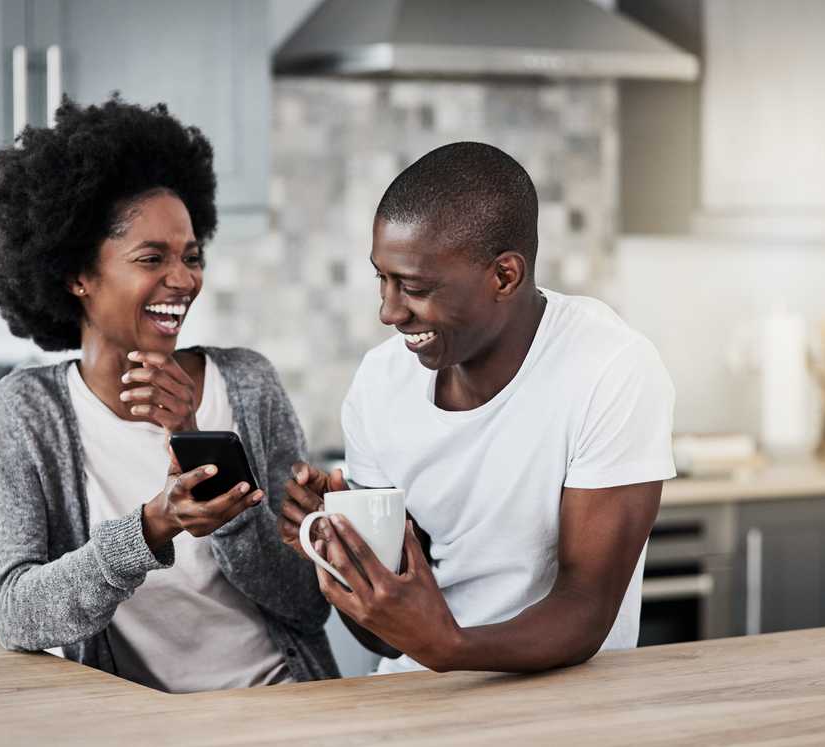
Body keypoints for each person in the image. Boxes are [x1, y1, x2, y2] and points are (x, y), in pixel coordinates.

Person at [0, 96, 337, 692]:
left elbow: (307, 603)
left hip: (284, 703)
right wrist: (149, 530)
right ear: (77, 274)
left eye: (191, 257)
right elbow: (18, 614)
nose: (184, 279)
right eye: (152, 258)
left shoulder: (248, 383)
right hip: (142, 725)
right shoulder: (27, 411)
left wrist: (203, 452)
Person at [279, 142, 674, 674]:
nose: (389, 312)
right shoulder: (379, 381)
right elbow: (389, 639)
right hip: (418, 699)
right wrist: (341, 554)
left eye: (414, 288)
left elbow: (586, 608)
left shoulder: (610, 367)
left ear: (504, 276)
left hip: (567, 704)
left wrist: (451, 650)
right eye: (383, 278)